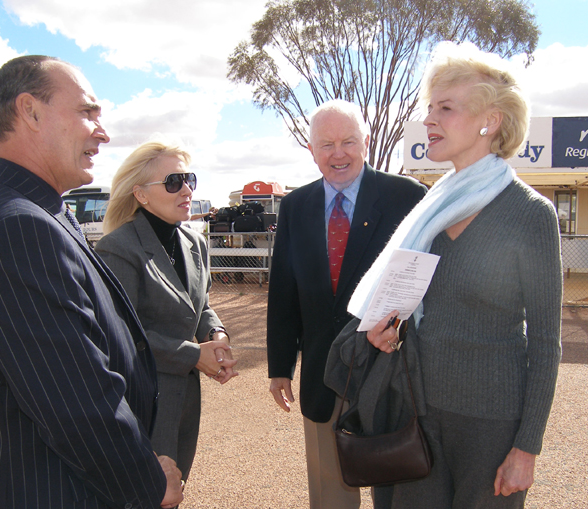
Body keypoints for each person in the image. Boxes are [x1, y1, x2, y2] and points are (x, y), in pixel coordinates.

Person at [0, 55, 183, 509]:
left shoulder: (24, 211)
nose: (103, 131)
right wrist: (148, 481)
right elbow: (76, 405)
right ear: (30, 111)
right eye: (88, 112)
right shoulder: (19, 228)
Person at [349, 42, 562, 508]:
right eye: (430, 108)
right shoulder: (428, 207)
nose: (429, 119)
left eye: (445, 108)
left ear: (491, 121)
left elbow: (546, 342)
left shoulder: (530, 214)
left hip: (492, 425)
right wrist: (388, 330)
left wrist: (527, 446)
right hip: (416, 410)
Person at [266, 99, 427, 508]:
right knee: (331, 488)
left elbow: (430, 279)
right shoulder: (295, 206)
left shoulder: (407, 197)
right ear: (311, 150)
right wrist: (279, 367)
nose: (338, 153)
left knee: (402, 478)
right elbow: (284, 292)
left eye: (348, 142)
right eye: (326, 144)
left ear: (367, 142)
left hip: (392, 368)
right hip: (324, 372)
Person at [95, 141, 237, 486]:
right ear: (140, 194)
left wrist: (216, 336)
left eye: (189, 179)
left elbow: (200, 306)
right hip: (141, 401)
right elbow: (122, 333)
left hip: (184, 400)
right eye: (173, 181)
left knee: (174, 489)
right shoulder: (118, 248)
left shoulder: (194, 242)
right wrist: (193, 356)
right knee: (147, 492)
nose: (186, 189)